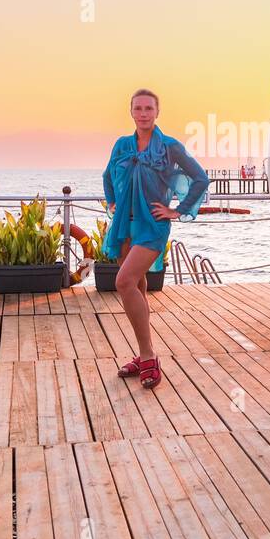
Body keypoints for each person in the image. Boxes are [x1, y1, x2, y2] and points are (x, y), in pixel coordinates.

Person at [102, 89, 209, 388]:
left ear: (157, 112)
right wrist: (112, 202)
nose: (144, 113)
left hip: (153, 226)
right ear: (131, 112)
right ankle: (142, 353)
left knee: (123, 282)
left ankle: (149, 356)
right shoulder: (122, 145)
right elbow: (107, 176)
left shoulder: (170, 147)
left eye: (149, 108)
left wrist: (179, 210)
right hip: (125, 223)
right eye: (138, 108)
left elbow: (200, 178)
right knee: (136, 285)